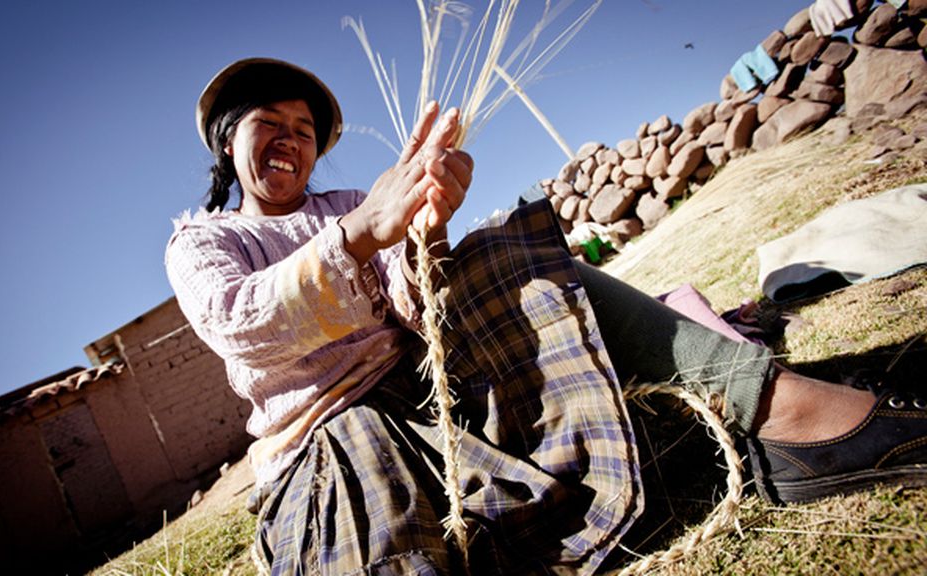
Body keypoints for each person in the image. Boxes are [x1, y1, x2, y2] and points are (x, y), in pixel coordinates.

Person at [165, 58, 927, 575]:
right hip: (332, 430)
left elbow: (411, 300)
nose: (290, 139)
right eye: (270, 122)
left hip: (436, 398)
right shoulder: (203, 242)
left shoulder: (345, 204)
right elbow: (242, 324)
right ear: (228, 143)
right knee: (379, 503)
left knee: (501, 255)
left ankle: (782, 411)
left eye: (303, 129)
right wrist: (367, 230)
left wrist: (427, 224)